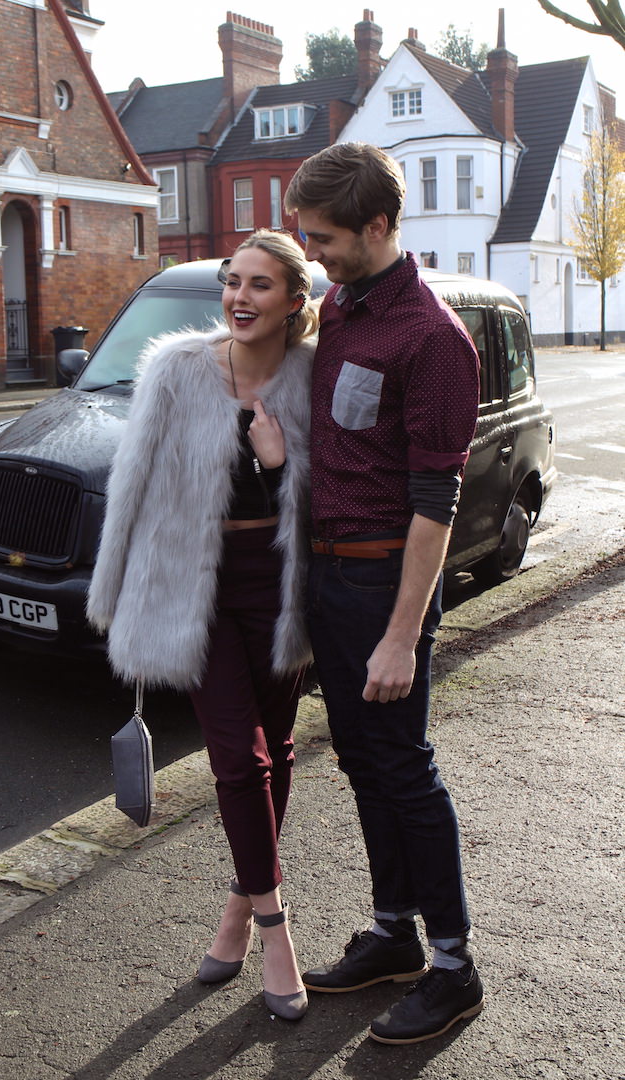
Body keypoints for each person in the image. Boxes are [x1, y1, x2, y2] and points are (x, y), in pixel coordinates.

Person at [87, 229, 318, 1022]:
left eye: (259, 285)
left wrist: (280, 464)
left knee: (277, 749)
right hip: (195, 587)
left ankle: (236, 911)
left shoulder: (313, 378)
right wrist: (113, 592)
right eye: (232, 282)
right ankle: (276, 930)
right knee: (236, 760)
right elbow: (132, 484)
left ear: (293, 301)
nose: (238, 298)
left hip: (279, 588)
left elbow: (329, 504)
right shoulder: (176, 368)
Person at [283, 143, 484, 1044]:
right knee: (363, 765)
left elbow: (436, 502)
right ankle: (392, 933)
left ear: (376, 226)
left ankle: (453, 967)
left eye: (324, 238)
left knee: (403, 768)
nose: (313, 252)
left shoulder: (432, 339)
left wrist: (401, 634)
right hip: (327, 576)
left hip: (382, 582)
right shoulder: (340, 305)